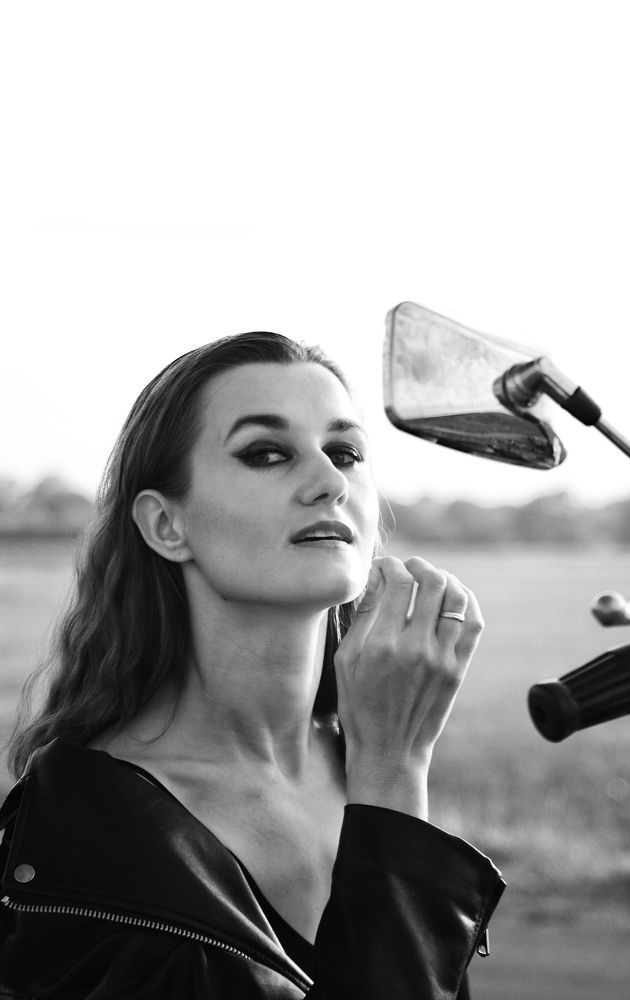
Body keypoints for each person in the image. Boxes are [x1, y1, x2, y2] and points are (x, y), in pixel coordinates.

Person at [0, 331, 505, 998]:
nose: (329, 483)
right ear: (167, 526)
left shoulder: (351, 760)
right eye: (266, 453)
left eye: (346, 453)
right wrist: (394, 774)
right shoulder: (88, 833)